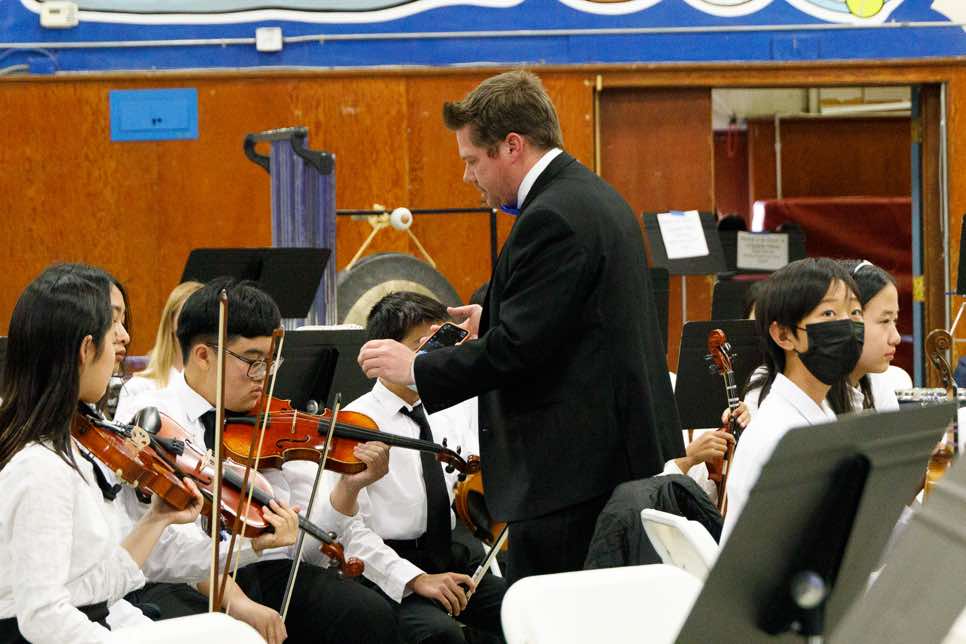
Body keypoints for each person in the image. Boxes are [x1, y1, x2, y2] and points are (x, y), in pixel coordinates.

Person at [358, 70, 684, 583]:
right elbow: (568, 322)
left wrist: (417, 367)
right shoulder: (591, 196)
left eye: (472, 160)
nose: (468, 177)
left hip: (575, 477)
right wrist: (494, 317)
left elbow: (519, 350)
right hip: (605, 462)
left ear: (512, 145)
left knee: (556, 616)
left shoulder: (551, 216)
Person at [115, 277, 397, 644]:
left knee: (367, 614)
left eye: (270, 362)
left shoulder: (268, 422)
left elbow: (304, 548)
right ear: (203, 356)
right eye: (252, 362)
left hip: (252, 563)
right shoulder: (155, 418)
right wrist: (240, 604)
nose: (262, 377)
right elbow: (170, 548)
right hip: (179, 579)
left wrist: (348, 489)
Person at [0, 263, 204, 643]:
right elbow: (43, 617)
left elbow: (89, 588)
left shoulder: (72, 451)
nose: (124, 338)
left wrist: (155, 520)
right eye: (113, 327)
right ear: (85, 348)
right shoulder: (40, 468)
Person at [323, 291, 505, 644]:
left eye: (440, 341)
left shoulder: (452, 405)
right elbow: (348, 531)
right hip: (386, 568)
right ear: (384, 351)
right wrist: (414, 579)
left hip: (450, 556)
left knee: (519, 607)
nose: (433, 356)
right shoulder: (355, 422)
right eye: (420, 344)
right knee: (439, 635)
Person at [722, 258, 864, 543]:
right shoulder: (776, 438)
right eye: (829, 313)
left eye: (855, 312)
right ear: (784, 335)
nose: (847, 325)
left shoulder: (823, 411)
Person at [120, 280, 203, 401]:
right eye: (187, 316)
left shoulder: (220, 392)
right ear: (171, 323)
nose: (197, 325)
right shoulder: (139, 388)